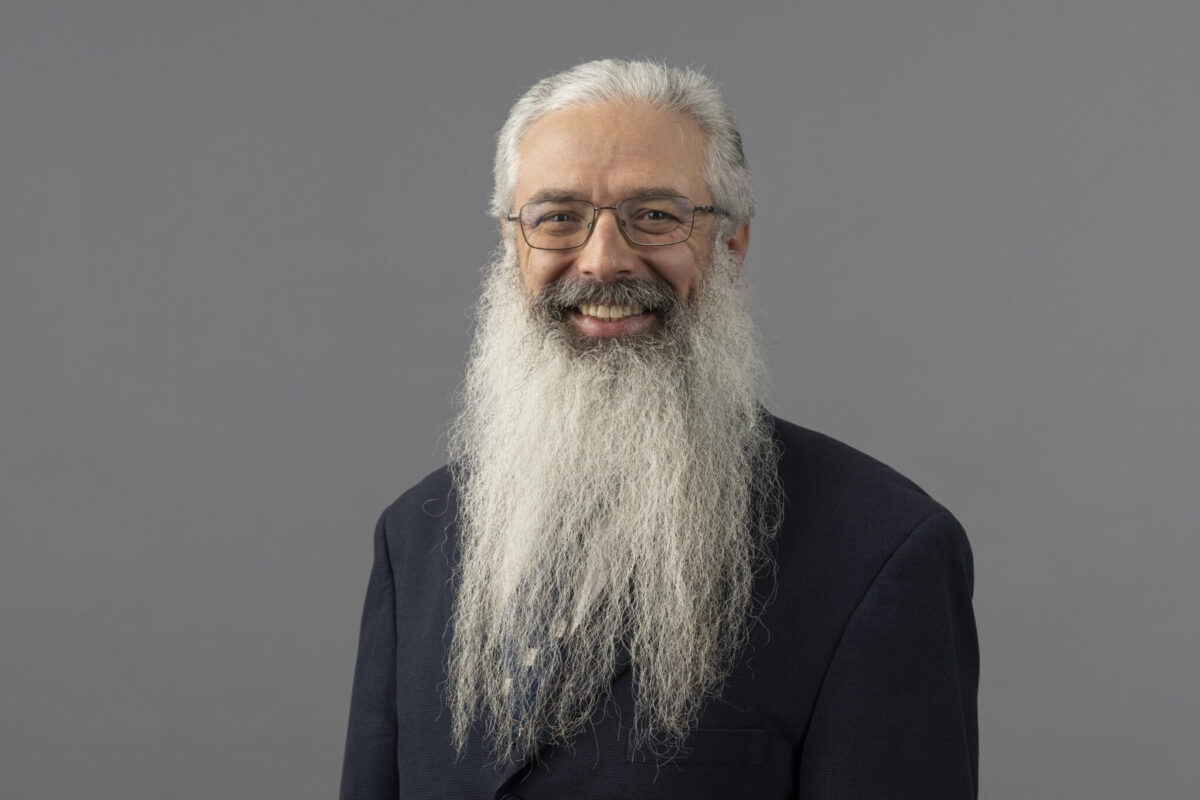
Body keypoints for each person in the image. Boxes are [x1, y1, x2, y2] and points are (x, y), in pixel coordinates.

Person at [340, 59, 978, 799]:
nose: (604, 260)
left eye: (656, 215)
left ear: (730, 247)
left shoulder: (881, 551)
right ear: (513, 246)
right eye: (556, 218)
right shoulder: (414, 538)